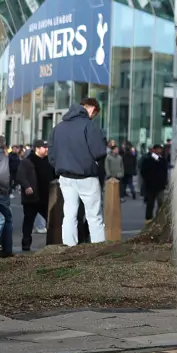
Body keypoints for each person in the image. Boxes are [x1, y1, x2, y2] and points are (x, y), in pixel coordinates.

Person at [48, 98, 108, 246]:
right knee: (94, 215)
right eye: (95, 114)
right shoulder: (89, 126)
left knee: (69, 213)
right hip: (86, 175)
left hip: (65, 176)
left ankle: (69, 245)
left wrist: (60, 165)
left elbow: (51, 155)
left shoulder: (58, 128)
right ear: (92, 109)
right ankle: (98, 246)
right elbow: (99, 152)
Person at [16, 142, 53, 253]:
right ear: (37, 149)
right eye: (44, 147)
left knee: (50, 220)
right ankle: (26, 243)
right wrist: (27, 186)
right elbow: (21, 175)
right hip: (31, 198)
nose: (46, 149)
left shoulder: (49, 161)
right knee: (29, 220)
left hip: (46, 197)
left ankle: (51, 243)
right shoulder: (28, 161)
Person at [139, 144, 170, 221]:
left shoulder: (162, 160)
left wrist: (165, 181)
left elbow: (164, 172)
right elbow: (143, 171)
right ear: (154, 150)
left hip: (160, 186)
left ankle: (159, 219)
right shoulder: (148, 159)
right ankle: (148, 219)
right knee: (150, 203)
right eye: (158, 149)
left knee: (161, 202)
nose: (159, 151)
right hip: (150, 186)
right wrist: (147, 180)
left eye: (160, 149)